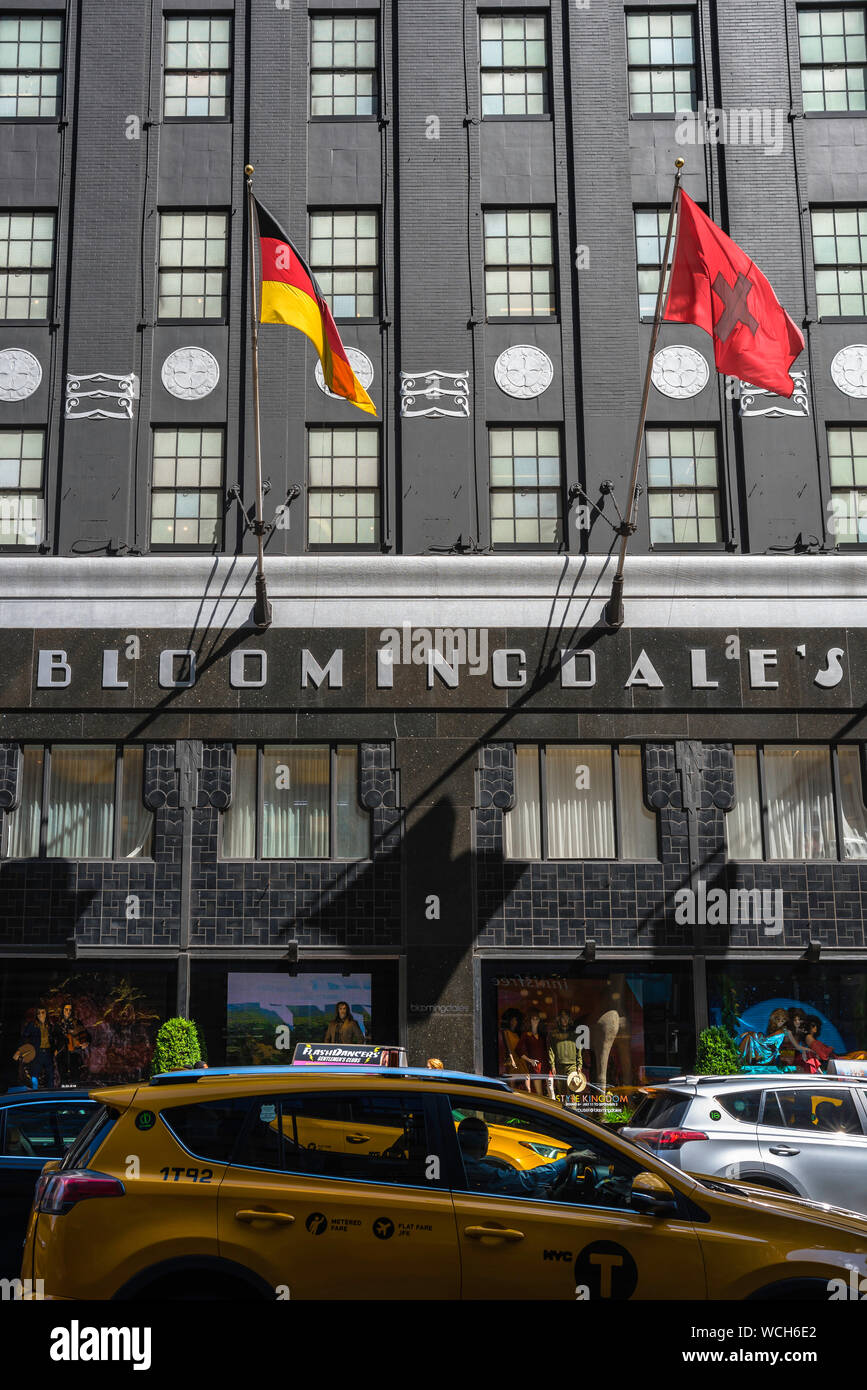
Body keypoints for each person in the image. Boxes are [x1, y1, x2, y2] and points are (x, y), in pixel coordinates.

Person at [457, 1116, 577, 1200]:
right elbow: (525, 1179)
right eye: (488, 1139)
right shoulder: (477, 1171)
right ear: (483, 1143)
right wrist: (567, 1160)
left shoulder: (459, 1165)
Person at [13, 1007, 55, 1089]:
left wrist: (54, 1049)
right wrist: (19, 1051)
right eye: (38, 1013)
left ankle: (50, 1091)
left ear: (46, 1014)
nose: (40, 1015)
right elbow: (24, 1037)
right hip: (37, 1052)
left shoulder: (49, 1025)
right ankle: (34, 1091)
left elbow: (53, 1039)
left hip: (48, 1052)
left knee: (50, 1073)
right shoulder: (32, 1025)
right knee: (34, 1073)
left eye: (42, 1012)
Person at [547, 1009, 581, 1099]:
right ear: (559, 1019)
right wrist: (553, 1066)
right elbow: (551, 1051)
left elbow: (579, 1050)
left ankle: (573, 1111)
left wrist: (579, 1065)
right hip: (559, 1066)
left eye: (567, 1018)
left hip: (572, 1065)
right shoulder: (554, 1034)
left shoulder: (574, 1033)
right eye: (563, 1018)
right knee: (561, 1092)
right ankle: (562, 1112)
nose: (565, 1020)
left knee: (573, 1089)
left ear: (569, 1019)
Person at [517, 1011, 549, 1098]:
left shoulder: (543, 1035)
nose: (535, 1021)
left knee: (551, 1091)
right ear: (530, 1021)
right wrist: (530, 1060)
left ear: (539, 1021)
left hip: (546, 1065)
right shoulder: (526, 1035)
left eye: (537, 1019)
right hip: (536, 1066)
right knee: (539, 1093)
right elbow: (518, 1050)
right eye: (533, 1019)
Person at [498, 1009, 528, 1089]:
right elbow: (508, 1047)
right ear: (510, 1021)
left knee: (526, 1080)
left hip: (520, 1059)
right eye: (513, 1020)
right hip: (513, 1059)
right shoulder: (506, 1032)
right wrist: (512, 1060)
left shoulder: (517, 1034)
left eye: (516, 1020)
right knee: (512, 1083)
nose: (514, 1022)